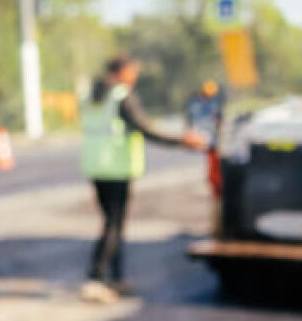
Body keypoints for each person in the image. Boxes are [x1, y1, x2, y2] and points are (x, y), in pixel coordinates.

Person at [79, 55, 208, 303]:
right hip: (116, 167)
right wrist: (182, 140)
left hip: (96, 165)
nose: (134, 77)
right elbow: (145, 129)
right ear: (122, 71)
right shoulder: (121, 96)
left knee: (111, 222)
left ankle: (115, 278)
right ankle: (95, 278)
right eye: (132, 71)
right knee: (114, 223)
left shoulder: (92, 94)